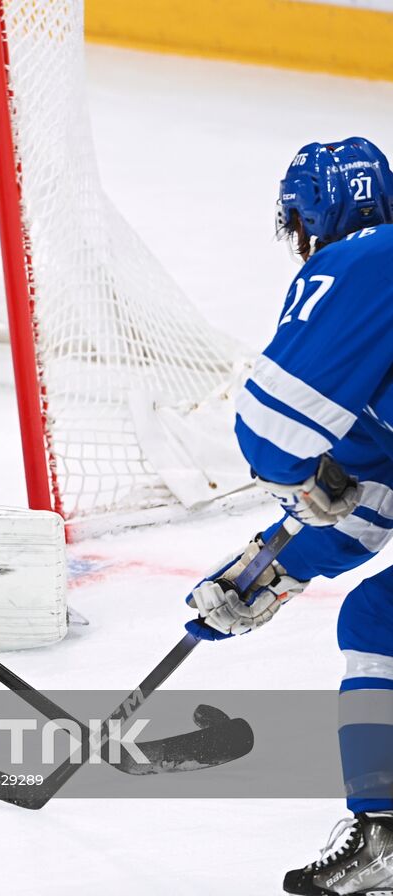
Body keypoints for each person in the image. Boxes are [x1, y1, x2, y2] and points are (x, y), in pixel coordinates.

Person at [182, 137, 393, 895]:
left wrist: (298, 488)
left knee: (381, 626)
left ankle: (387, 838)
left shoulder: (363, 261)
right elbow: (374, 491)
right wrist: (272, 570)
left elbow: (272, 436)